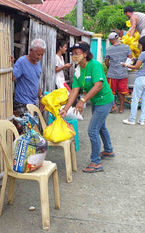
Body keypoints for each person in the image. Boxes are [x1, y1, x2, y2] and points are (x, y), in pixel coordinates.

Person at [59, 42, 115, 173]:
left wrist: (83, 100)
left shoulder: (94, 65)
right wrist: (66, 109)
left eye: (77, 53)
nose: (74, 56)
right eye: (73, 53)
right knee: (100, 126)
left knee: (92, 130)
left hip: (105, 100)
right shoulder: (78, 70)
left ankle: (96, 162)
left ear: (85, 54)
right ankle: (108, 150)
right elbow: (74, 91)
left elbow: (98, 86)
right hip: (96, 101)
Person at [122, 36, 145, 126]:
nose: (139, 47)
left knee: (135, 99)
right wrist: (136, 60)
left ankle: (132, 119)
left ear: (143, 44)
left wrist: (126, 65)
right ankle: (142, 120)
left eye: (140, 45)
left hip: (141, 79)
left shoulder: (143, 54)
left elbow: (136, 67)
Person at [13, 38, 46, 117]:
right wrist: (10, 65)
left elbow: (36, 81)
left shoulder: (37, 63)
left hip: (33, 102)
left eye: (42, 55)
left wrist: (41, 97)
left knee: (33, 125)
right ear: (31, 50)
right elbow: (12, 77)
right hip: (22, 102)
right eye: (38, 54)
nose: (40, 57)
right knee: (29, 126)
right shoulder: (22, 62)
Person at [105, 32, 133, 114]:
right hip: (123, 73)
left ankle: (112, 107)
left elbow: (106, 62)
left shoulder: (109, 49)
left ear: (111, 40)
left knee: (110, 92)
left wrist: (110, 67)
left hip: (112, 74)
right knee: (122, 92)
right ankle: (121, 109)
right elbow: (130, 59)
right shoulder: (126, 47)